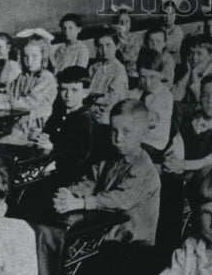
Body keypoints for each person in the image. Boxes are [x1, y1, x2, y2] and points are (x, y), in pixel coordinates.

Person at [53, 99, 161, 246]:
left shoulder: (144, 168)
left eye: (126, 132)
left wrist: (82, 202)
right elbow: (91, 181)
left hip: (130, 243)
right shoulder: (109, 156)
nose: (118, 139)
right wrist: (70, 193)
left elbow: (118, 200)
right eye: (114, 131)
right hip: (105, 231)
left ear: (142, 133)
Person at [0, 36, 58, 144]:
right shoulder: (23, 76)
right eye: (26, 57)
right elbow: (8, 92)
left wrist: (2, 104)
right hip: (19, 125)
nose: (29, 61)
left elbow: (28, 103)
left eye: (34, 56)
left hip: (36, 128)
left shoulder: (46, 77)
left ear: (43, 57)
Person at [34, 66, 97, 182]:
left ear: (85, 92)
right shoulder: (59, 112)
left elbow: (80, 155)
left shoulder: (86, 119)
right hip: (49, 164)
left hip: (70, 175)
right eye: (64, 89)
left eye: (74, 90)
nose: (68, 95)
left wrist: (53, 147)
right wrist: (42, 137)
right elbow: (48, 132)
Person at [88, 26, 129, 106]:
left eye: (108, 45)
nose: (104, 50)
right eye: (100, 46)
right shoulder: (94, 67)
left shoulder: (119, 70)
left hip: (111, 109)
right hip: (92, 106)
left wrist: (90, 98)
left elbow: (113, 98)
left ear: (116, 46)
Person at [113, 7, 143, 80]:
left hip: (131, 74)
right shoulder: (113, 39)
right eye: (120, 21)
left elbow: (126, 58)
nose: (123, 24)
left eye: (127, 21)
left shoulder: (136, 38)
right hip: (115, 73)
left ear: (130, 24)